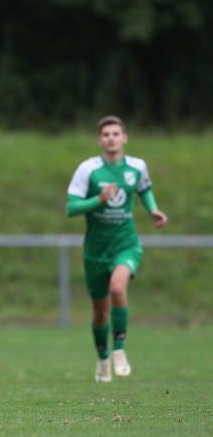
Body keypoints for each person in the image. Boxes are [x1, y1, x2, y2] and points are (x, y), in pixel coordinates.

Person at [66, 116, 168, 382]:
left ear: (125, 137)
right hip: (96, 251)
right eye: (106, 134)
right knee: (100, 311)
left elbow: (144, 189)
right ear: (100, 140)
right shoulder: (88, 170)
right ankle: (102, 359)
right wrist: (97, 201)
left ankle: (119, 350)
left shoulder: (136, 167)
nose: (111, 138)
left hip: (126, 245)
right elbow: (71, 207)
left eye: (116, 133)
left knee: (117, 289)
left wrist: (153, 209)